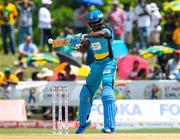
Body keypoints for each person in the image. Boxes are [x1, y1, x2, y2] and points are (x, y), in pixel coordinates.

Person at [74, 10, 117, 134]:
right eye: (91, 23)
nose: (93, 25)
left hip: (109, 63)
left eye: (95, 22)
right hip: (96, 65)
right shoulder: (90, 34)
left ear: (101, 21)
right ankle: (83, 123)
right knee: (85, 94)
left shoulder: (107, 31)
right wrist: (76, 44)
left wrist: (86, 36)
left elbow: (100, 34)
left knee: (107, 94)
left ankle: (109, 126)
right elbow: (83, 49)